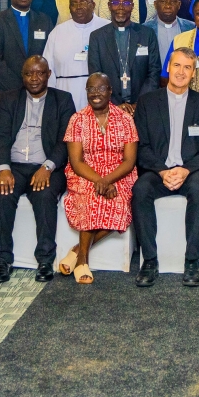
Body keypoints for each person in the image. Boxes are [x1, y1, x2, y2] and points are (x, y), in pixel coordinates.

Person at [131, 49, 199, 287]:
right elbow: (142, 146)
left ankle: (192, 261)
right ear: (168, 67)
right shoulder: (148, 103)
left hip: (192, 172)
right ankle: (149, 260)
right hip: (158, 170)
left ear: (193, 73)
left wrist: (185, 170)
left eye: (187, 67)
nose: (181, 72)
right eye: (177, 66)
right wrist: (162, 171)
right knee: (140, 191)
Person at [0, 56, 76, 284]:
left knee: (45, 194)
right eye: (29, 73)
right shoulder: (9, 99)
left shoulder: (63, 100)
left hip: (47, 165)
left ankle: (46, 260)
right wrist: (3, 168)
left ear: (49, 74)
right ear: (22, 76)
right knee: (2, 192)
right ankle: (1, 260)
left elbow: (65, 141)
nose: (34, 78)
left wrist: (47, 167)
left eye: (40, 73)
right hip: (14, 166)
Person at [56, 73, 139, 284]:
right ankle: (83, 260)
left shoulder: (125, 119)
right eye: (91, 89)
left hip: (119, 173)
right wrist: (99, 181)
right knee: (91, 200)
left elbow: (129, 161)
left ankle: (77, 251)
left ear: (110, 91)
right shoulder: (77, 120)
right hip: (85, 173)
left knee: (121, 204)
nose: (95, 93)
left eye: (101, 88)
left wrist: (108, 179)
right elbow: (76, 162)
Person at [87, 0, 161, 112]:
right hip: (109, 108)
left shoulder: (147, 34)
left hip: (142, 107)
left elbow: (154, 72)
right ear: (109, 6)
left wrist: (139, 103)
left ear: (132, 6)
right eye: (116, 3)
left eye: (126, 3)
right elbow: (95, 75)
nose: (121, 7)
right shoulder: (97, 37)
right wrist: (114, 105)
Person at [0, 0, 55, 96]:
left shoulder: (44, 20)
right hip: (8, 90)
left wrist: (36, 82)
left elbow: (49, 54)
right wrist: (21, 85)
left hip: (39, 89)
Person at [43, 0, 110, 110]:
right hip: (65, 92)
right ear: (69, 7)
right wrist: (53, 99)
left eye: (83, 2)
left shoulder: (107, 27)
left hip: (100, 95)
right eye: (74, 3)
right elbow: (48, 69)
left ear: (93, 5)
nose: (78, 7)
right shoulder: (58, 32)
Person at [145, 0, 195, 65]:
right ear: (155, 4)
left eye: (173, 2)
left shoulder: (191, 27)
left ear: (179, 4)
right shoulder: (145, 29)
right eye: (163, 2)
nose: (168, 6)